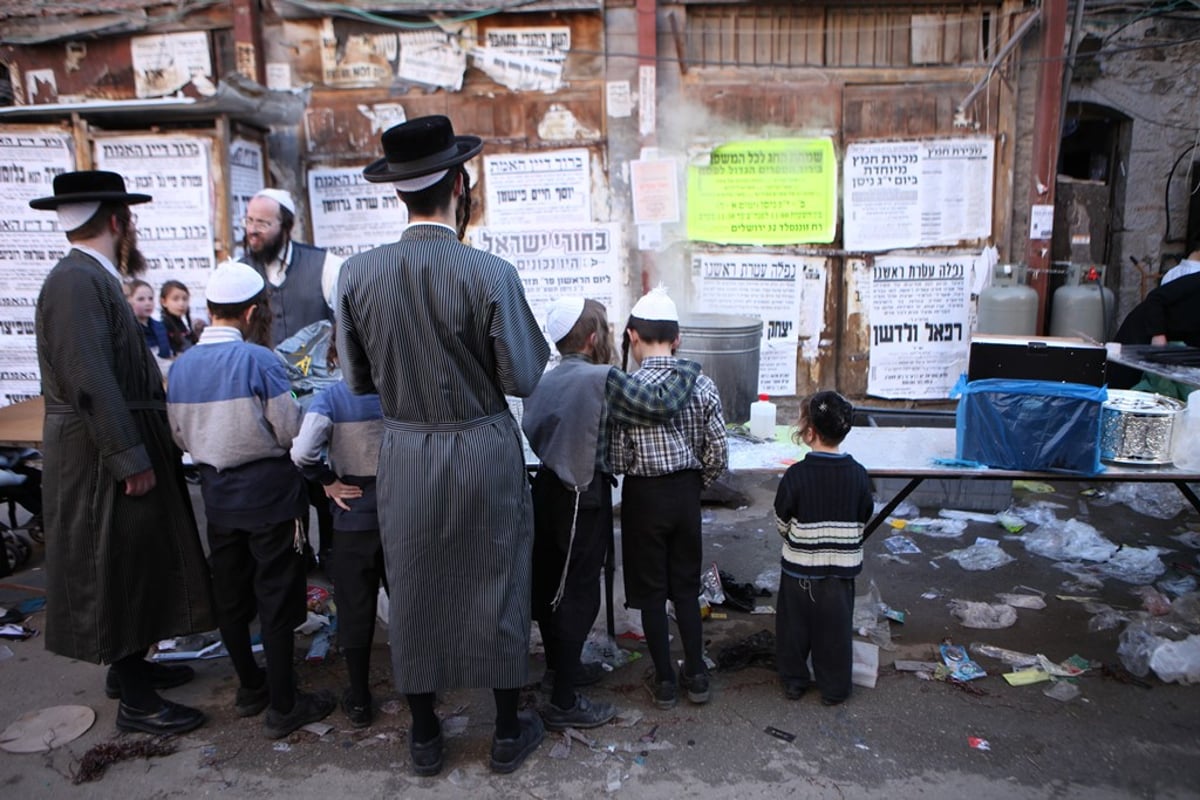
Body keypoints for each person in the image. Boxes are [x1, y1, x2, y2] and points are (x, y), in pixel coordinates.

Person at [338, 115, 550, 777]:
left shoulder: (356, 275)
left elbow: (358, 380)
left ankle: (426, 736)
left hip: (406, 451)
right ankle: (508, 731)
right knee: (500, 582)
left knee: (416, 588)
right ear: (459, 183)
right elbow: (525, 376)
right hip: (483, 447)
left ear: (398, 192)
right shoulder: (490, 272)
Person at [30, 170, 214, 735]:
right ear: (117, 221)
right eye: (128, 219)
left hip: (111, 445)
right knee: (118, 566)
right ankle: (136, 701)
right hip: (99, 457)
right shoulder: (76, 283)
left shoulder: (91, 278)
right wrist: (128, 457)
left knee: (135, 561)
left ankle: (129, 669)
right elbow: (89, 379)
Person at [167, 260, 336, 739]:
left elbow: (179, 436)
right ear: (251, 313)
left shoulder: (182, 367)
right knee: (277, 597)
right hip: (270, 500)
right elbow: (289, 430)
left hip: (219, 499)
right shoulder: (260, 361)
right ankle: (285, 705)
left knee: (232, 595)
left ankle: (250, 688)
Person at [522, 297, 701, 732]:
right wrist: (690, 368)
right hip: (583, 495)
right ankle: (564, 700)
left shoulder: (543, 381)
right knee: (579, 596)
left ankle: (557, 672)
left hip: (546, 489)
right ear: (592, 337)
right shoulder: (602, 379)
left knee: (550, 588)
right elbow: (660, 402)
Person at [607, 287, 728, 710]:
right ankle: (696, 674)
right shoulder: (703, 384)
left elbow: (619, 457)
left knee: (653, 595)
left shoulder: (625, 389)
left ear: (633, 336)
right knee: (686, 589)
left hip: (644, 498)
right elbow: (718, 453)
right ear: (677, 339)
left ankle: (663, 682)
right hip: (684, 496)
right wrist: (695, 485)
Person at [240, 187, 343, 572]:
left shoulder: (324, 265)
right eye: (249, 221)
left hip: (320, 407)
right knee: (278, 499)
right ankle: (292, 569)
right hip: (266, 411)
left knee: (328, 494)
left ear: (287, 225)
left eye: (262, 223)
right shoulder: (239, 270)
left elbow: (347, 322)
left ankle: (334, 563)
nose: (253, 231)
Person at [290, 332, 385, 729]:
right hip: (402, 514)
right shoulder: (400, 396)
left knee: (355, 607)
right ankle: (424, 689)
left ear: (334, 356)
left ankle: (360, 699)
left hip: (353, 517)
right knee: (411, 602)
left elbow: (302, 453)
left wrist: (327, 481)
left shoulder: (330, 399)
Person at [772, 391, 873, 706]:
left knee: (793, 629)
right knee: (836, 633)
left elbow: (781, 516)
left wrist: (794, 539)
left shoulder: (796, 474)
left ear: (810, 432)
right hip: (839, 573)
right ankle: (835, 689)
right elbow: (864, 515)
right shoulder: (858, 474)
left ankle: (794, 681)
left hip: (798, 569)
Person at [123, 279, 172, 360]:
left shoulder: (160, 326)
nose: (148, 303)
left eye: (150, 298)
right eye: (141, 299)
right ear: (128, 301)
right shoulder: (126, 330)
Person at [159, 279, 202, 355]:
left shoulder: (185, 326)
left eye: (185, 299)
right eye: (175, 299)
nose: (181, 303)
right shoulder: (162, 328)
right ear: (164, 302)